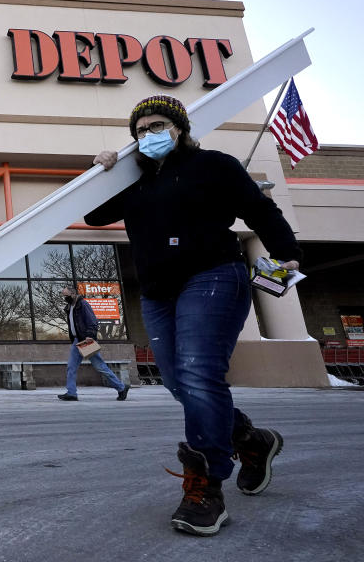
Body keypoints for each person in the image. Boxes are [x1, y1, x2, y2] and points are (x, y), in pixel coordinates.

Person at [86, 94, 297, 536]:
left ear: (180, 128)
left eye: (159, 125)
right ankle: (250, 440)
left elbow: (260, 210)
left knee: (199, 373)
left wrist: (286, 254)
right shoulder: (134, 182)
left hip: (214, 276)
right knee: (178, 381)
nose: (150, 135)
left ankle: (206, 487)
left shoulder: (214, 165)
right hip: (159, 292)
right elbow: (93, 214)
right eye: (141, 130)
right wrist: (101, 171)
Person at [57, 286, 130, 402]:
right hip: (77, 340)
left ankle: (121, 388)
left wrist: (89, 336)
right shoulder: (69, 307)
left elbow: (92, 322)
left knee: (99, 366)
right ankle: (71, 393)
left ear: (73, 293)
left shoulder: (83, 305)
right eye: (63, 296)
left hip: (86, 340)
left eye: (66, 295)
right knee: (71, 367)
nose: (65, 298)